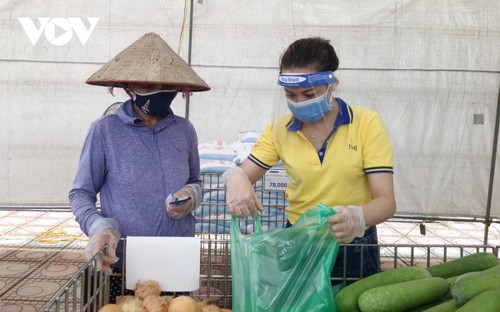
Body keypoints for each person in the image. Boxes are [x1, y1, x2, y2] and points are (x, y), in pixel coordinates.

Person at [223, 37, 396, 284]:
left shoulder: (366, 124)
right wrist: (235, 177)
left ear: (332, 84)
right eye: (290, 94)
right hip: (300, 242)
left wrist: (356, 217)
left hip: (352, 245)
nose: (299, 102)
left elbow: (386, 202)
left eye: (309, 94)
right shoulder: (279, 129)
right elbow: (244, 173)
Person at [69, 32, 210, 301]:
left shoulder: (184, 130)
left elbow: (195, 180)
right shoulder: (104, 131)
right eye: (146, 86)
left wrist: (191, 195)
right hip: (123, 261)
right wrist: (98, 226)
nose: (156, 91)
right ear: (129, 87)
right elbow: (80, 193)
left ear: (176, 88)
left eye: (163, 84)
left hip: (175, 257)